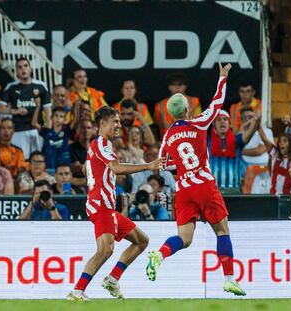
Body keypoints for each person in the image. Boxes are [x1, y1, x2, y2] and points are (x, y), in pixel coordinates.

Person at [146, 63, 246, 296]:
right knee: (222, 231)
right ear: (188, 109)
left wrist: (180, 165)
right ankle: (229, 279)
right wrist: (222, 77)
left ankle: (159, 254)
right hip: (203, 184)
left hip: (183, 189)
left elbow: (163, 164)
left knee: (184, 238)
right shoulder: (198, 122)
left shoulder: (168, 135)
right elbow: (218, 103)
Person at [67, 106, 161, 301]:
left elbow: (86, 169)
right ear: (102, 123)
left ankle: (112, 279)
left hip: (106, 206)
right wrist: (148, 165)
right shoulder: (101, 143)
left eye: (119, 121)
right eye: (115, 122)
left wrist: (97, 173)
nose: (119, 125)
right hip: (100, 205)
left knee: (141, 241)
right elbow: (116, 168)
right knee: (105, 250)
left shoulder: (99, 146)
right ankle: (77, 291)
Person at [0, 58, 52, 159]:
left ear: (30, 69)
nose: (23, 69)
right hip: (18, 131)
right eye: (19, 67)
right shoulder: (11, 87)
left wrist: (48, 131)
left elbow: (47, 110)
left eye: (25, 66)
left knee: (37, 161)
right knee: (20, 161)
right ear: (16, 71)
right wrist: (14, 111)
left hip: (36, 131)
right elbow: (0, 108)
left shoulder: (41, 86)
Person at [32, 104, 78, 172]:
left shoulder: (66, 131)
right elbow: (34, 123)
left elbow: (75, 121)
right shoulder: (46, 131)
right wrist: (38, 106)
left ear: (64, 120)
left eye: (61, 116)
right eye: (56, 116)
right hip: (49, 167)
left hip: (64, 167)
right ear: (51, 117)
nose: (58, 118)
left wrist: (76, 108)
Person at [154, 72, 202, 138]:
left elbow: (199, 123)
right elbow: (155, 127)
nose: (177, 88)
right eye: (174, 85)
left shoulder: (194, 102)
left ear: (185, 86)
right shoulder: (160, 106)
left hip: (190, 140)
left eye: (180, 84)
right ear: (169, 87)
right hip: (168, 142)